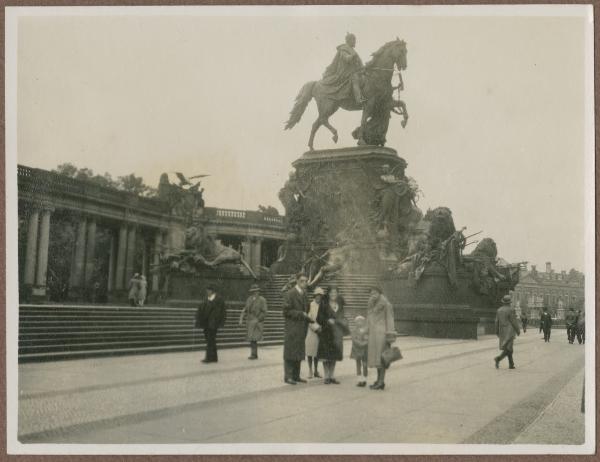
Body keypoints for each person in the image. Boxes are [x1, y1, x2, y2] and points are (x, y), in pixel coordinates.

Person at [282, 273, 312, 385]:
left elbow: (307, 308)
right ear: (297, 281)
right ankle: (288, 376)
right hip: (292, 327)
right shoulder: (290, 294)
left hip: (301, 328)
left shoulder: (304, 294)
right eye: (302, 281)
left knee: (298, 351)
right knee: (290, 352)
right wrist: (301, 314)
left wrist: (307, 316)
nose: (305, 283)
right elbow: (286, 311)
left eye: (306, 281)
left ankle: (296, 375)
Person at [321, 32, 365, 105]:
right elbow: (346, 58)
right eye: (354, 40)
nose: (355, 42)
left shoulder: (352, 50)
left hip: (354, 71)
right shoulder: (343, 49)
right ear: (349, 40)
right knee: (355, 78)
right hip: (344, 73)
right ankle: (359, 98)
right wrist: (352, 56)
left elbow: (359, 63)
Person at [317, 286, 349, 384]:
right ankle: (326, 376)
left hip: (336, 333)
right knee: (326, 355)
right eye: (331, 292)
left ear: (337, 293)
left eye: (335, 292)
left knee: (334, 354)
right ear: (328, 293)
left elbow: (343, 317)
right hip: (326, 332)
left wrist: (341, 321)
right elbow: (318, 318)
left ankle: (332, 375)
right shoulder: (323, 304)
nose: (333, 294)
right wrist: (327, 320)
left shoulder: (340, 304)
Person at [367, 285, 396, 390]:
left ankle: (381, 381)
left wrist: (390, 335)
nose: (373, 295)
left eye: (375, 293)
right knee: (377, 360)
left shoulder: (386, 304)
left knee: (382, 359)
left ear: (380, 293)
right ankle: (378, 380)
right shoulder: (371, 305)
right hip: (374, 336)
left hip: (382, 336)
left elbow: (390, 320)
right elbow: (369, 320)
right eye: (371, 294)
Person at [195, 284, 227, 363]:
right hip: (206, 323)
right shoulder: (206, 299)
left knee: (210, 340)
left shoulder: (218, 299)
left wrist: (220, 322)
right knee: (211, 340)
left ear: (212, 291)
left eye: (209, 290)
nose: (207, 292)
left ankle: (208, 358)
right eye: (207, 290)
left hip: (213, 323)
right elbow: (200, 310)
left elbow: (222, 312)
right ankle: (214, 357)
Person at [239, 284, 268, 360]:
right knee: (251, 338)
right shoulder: (249, 299)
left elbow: (264, 311)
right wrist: (241, 318)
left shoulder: (262, 300)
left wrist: (258, 319)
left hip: (257, 321)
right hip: (249, 321)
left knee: (254, 338)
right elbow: (245, 309)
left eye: (256, 291)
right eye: (253, 291)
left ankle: (254, 354)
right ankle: (253, 354)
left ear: (258, 291)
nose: (254, 292)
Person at [494, 294, 521, 369]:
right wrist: (518, 330)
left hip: (502, 330)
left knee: (508, 348)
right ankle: (498, 358)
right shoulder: (511, 310)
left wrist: (496, 331)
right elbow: (513, 321)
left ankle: (511, 364)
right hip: (509, 330)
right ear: (509, 302)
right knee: (509, 348)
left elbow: (496, 321)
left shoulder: (499, 310)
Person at [305, 287, 324, 379]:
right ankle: (310, 370)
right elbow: (308, 318)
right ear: (314, 296)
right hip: (311, 331)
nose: (318, 297)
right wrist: (316, 328)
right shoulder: (310, 305)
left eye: (320, 296)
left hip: (321, 331)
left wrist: (322, 328)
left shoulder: (323, 305)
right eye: (317, 295)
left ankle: (316, 370)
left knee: (317, 352)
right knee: (310, 352)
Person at [350, 315, 369, 387]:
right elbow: (354, 339)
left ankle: (364, 380)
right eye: (357, 321)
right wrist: (361, 344)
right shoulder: (354, 330)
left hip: (364, 350)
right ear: (355, 322)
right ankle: (359, 379)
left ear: (363, 322)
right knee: (358, 365)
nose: (359, 323)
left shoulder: (366, 330)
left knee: (365, 365)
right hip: (357, 349)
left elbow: (367, 338)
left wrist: (364, 343)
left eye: (361, 321)